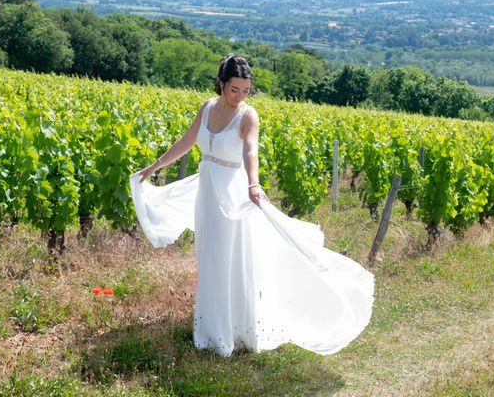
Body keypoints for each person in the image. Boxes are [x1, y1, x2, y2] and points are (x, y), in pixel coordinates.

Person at [130, 55, 374, 357]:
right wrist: (154, 167)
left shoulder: (248, 116)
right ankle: (210, 329)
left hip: (232, 195)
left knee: (228, 260)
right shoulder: (206, 108)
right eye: (235, 90)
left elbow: (250, 151)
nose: (240, 96)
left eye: (246, 90)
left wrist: (254, 183)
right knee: (209, 259)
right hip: (207, 191)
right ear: (221, 84)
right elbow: (188, 140)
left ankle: (230, 333)